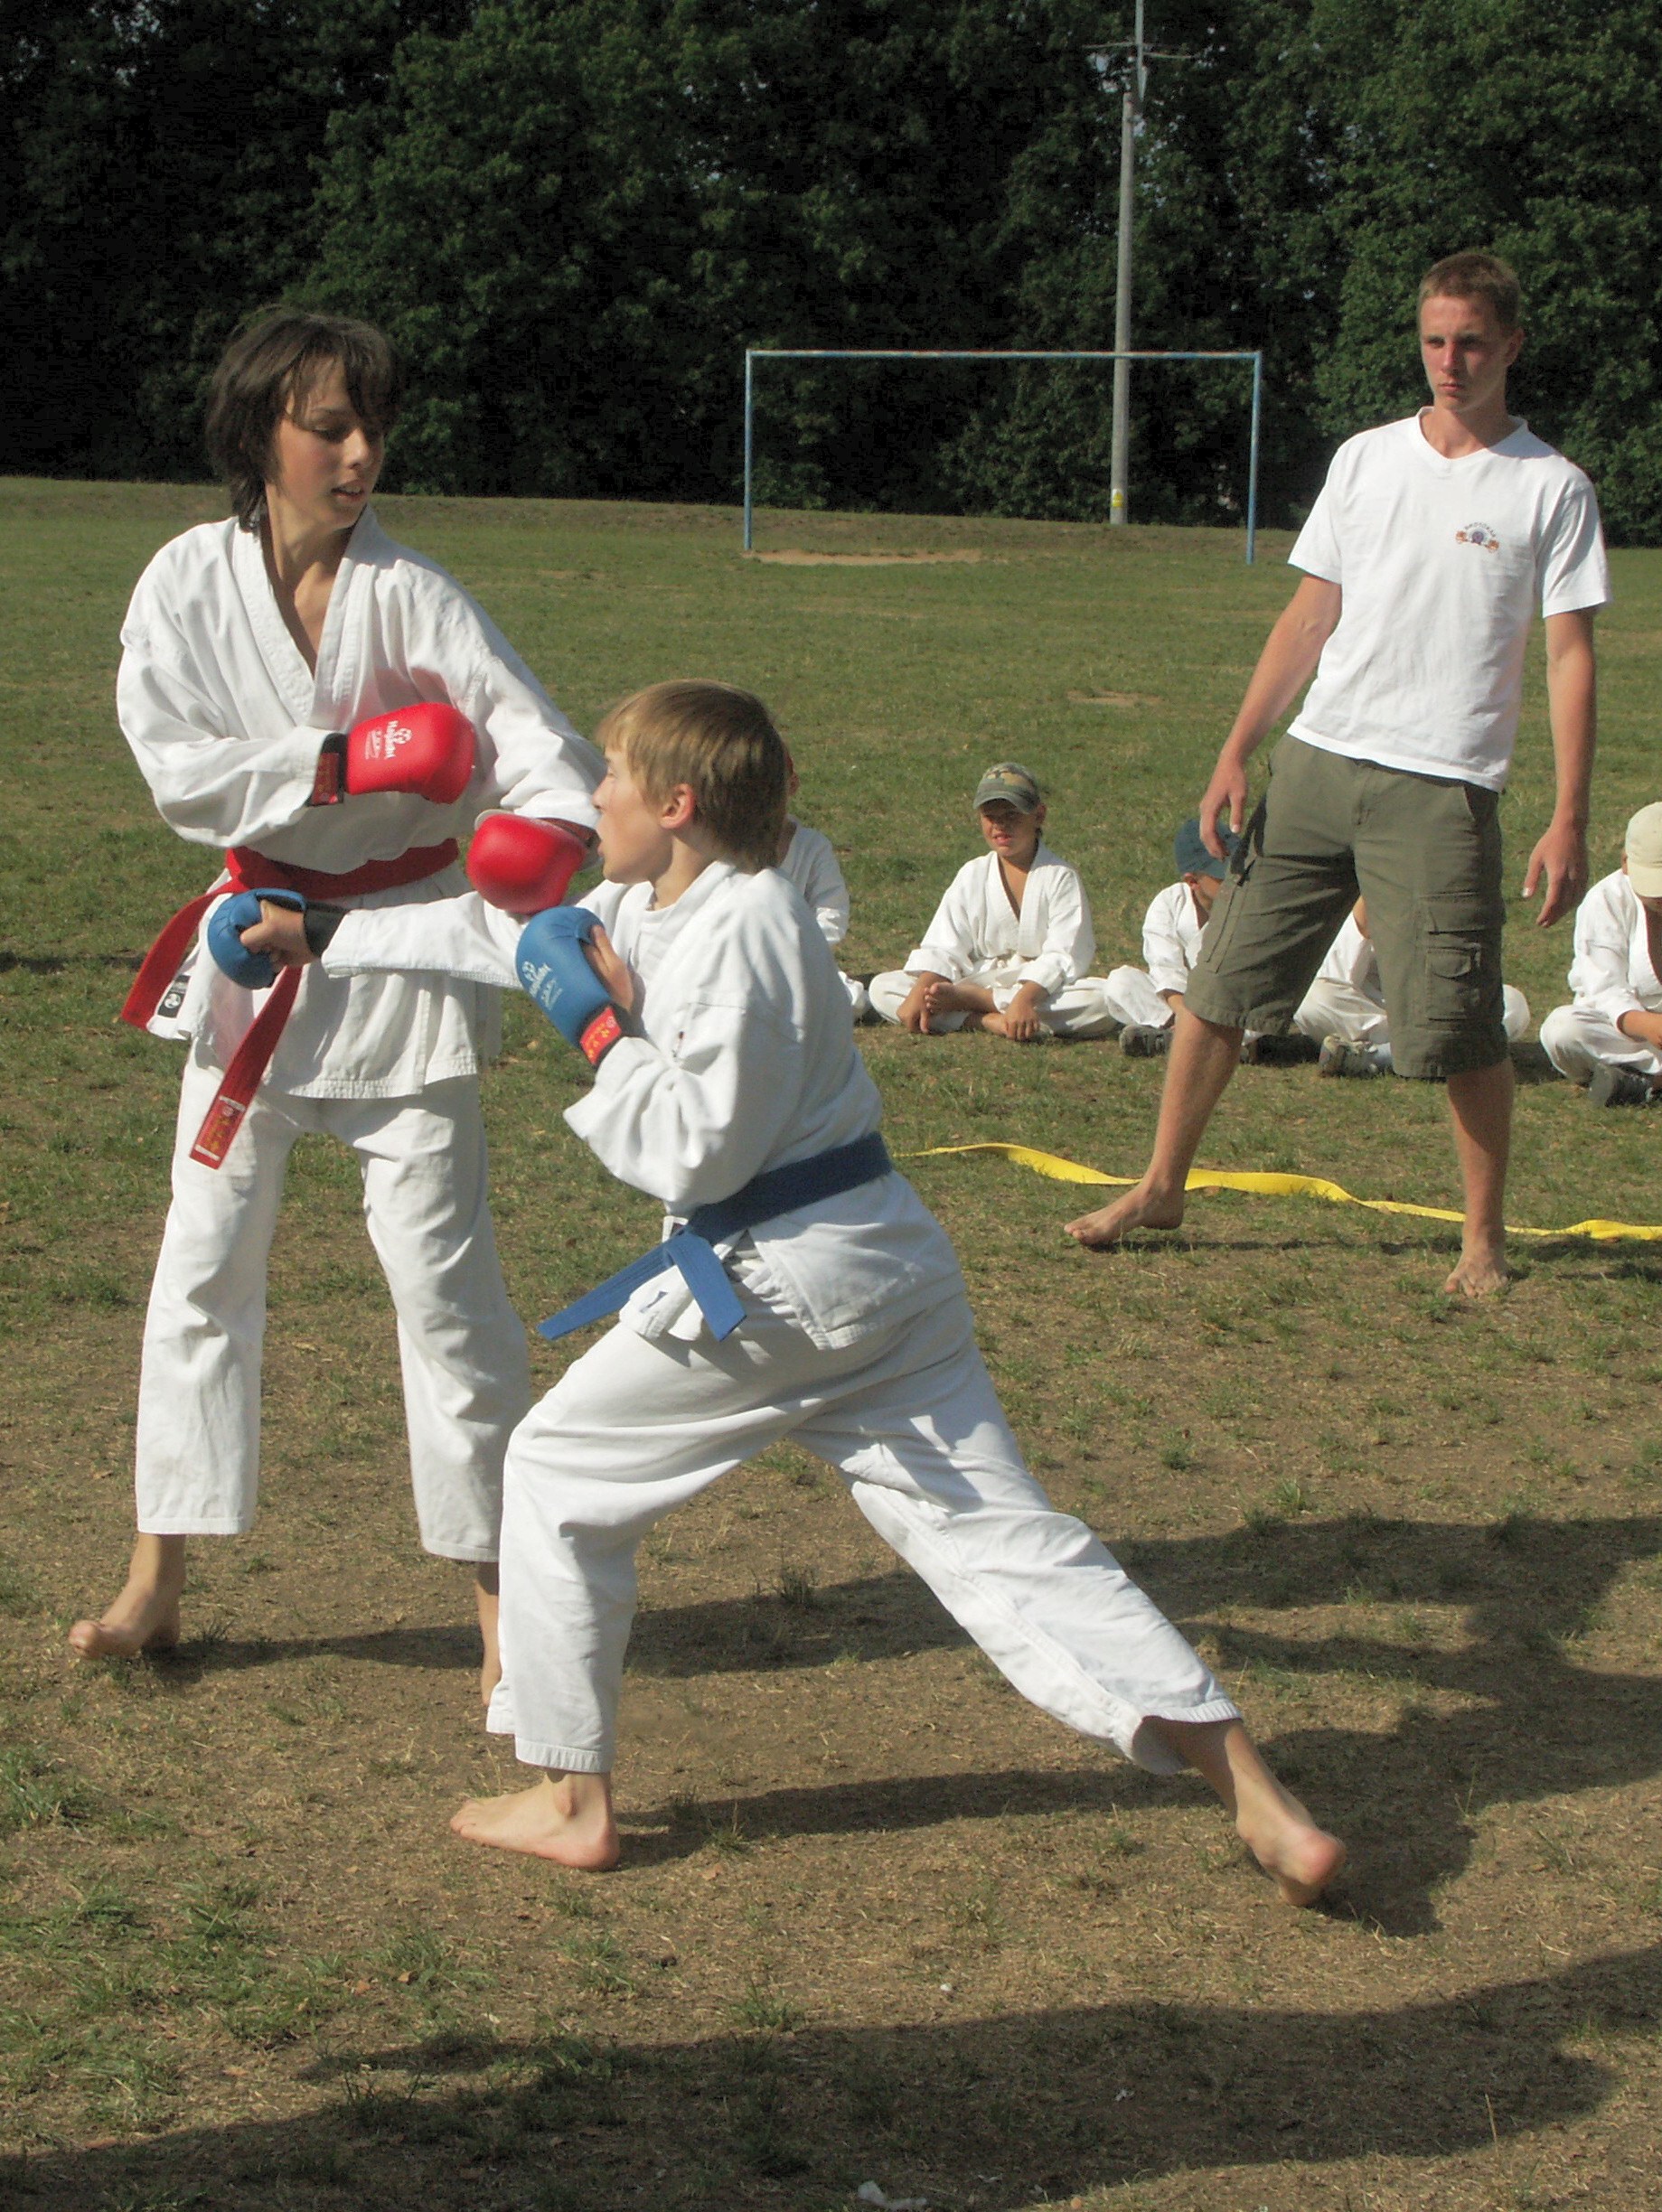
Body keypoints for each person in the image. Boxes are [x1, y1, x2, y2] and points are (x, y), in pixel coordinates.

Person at [242, 680, 1347, 1903]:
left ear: (675, 805)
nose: (591, 797)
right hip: (884, 1283)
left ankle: (569, 1798)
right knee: (1008, 1539)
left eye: (610, 776)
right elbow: (505, 939)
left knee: (552, 1470)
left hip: (785, 1279)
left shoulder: (752, 932)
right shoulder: (647, 902)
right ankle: (1257, 1795)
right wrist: (322, 931)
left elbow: (698, 1152)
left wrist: (603, 1038)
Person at [68, 309, 604, 1685]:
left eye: (374, 427)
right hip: (255, 952)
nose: (361, 453)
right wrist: (343, 761)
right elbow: (175, 768)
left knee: (446, 1295)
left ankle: (499, 1608)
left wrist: (547, 838)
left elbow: (543, 744)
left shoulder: (414, 598)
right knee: (202, 1269)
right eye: (330, 427)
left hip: (400, 962)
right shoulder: (184, 584)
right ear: (260, 434)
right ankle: (157, 1578)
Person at [1066, 250, 1610, 1295]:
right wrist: (1237, 749)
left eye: (1472, 342)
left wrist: (1569, 816)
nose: (1450, 362)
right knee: (1219, 987)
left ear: (1512, 345)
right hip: (1316, 764)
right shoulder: (1365, 460)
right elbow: (1310, 615)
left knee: (1456, 1025)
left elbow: (1570, 658)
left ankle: (1483, 1239)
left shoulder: (1551, 487)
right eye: (1435, 340)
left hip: (1444, 788)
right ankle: (1161, 1186)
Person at [866, 762, 1116, 1040]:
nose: (1000, 825)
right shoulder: (973, 873)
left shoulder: (1060, 876)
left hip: (1037, 989)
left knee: (1103, 999)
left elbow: (1063, 953)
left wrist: (1025, 998)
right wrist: (921, 989)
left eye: (1011, 815)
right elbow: (944, 945)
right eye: (990, 816)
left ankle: (976, 1005)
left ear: (1039, 815)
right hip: (978, 977)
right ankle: (985, 1020)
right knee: (883, 987)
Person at [1296, 899, 1532, 1079]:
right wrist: (1368, 906)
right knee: (1310, 1002)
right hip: (1371, 1008)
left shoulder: (1449, 894)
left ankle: (1379, 1056)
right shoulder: (1363, 897)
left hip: (1438, 1006)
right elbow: (1337, 977)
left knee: (1513, 1003)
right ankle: (1439, 1051)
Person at [1539, 802, 1662, 1105]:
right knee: (1563, 1030)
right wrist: (1647, 1025)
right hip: (1631, 1033)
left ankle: (1642, 1082)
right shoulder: (1606, 900)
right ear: (1626, 862)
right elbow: (1604, 989)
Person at [775, 771, 869, 1018]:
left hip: (799, 959)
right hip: (740, 957)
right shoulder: (727, 844)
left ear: (792, 785)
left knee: (852, 1000)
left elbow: (832, 912)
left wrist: (797, 950)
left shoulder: (812, 846)